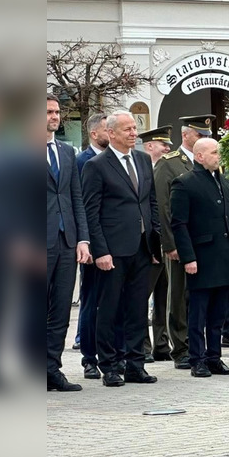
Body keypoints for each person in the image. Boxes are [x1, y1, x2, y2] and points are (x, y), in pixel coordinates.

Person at [81, 111, 161, 387]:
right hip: (113, 250)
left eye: (134, 128)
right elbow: (91, 212)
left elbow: (150, 202)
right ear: (111, 133)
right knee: (110, 308)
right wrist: (100, 251)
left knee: (138, 308)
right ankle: (110, 364)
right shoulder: (96, 165)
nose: (133, 133)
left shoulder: (142, 160)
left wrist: (155, 239)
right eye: (127, 129)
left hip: (142, 246)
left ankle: (135, 364)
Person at [169, 138, 229, 378]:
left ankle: (214, 357)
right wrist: (188, 258)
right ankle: (198, 359)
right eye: (214, 152)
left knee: (219, 313)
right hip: (201, 258)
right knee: (198, 313)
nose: (219, 156)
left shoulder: (225, 184)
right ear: (199, 156)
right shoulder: (185, 183)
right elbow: (179, 224)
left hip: (224, 258)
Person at [154, 115, 216, 370]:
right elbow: (162, 207)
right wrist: (170, 244)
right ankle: (180, 347)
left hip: (205, 242)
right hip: (180, 241)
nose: (203, 139)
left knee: (200, 296)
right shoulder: (169, 164)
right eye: (199, 135)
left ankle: (198, 345)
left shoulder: (210, 163)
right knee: (178, 294)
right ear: (186, 136)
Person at [47, 94, 90, 391]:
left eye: (57, 111)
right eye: (48, 111)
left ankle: (51, 369)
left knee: (61, 310)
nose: (54, 116)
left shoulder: (65, 151)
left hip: (65, 241)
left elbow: (76, 197)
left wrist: (82, 238)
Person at [74, 112, 109, 380]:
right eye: (108, 129)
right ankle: (89, 357)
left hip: (116, 244)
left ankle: (111, 354)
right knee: (91, 302)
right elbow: (82, 206)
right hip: (93, 244)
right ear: (94, 134)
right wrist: (86, 242)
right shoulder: (83, 161)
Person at [138, 126, 174, 363]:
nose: (168, 148)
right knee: (142, 296)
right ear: (150, 145)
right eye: (164, 144)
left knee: (165, 296)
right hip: (146, 244)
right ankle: (142, 345)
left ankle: (161, 344)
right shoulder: (140, 170)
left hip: (167, 243)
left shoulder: (168, 170)